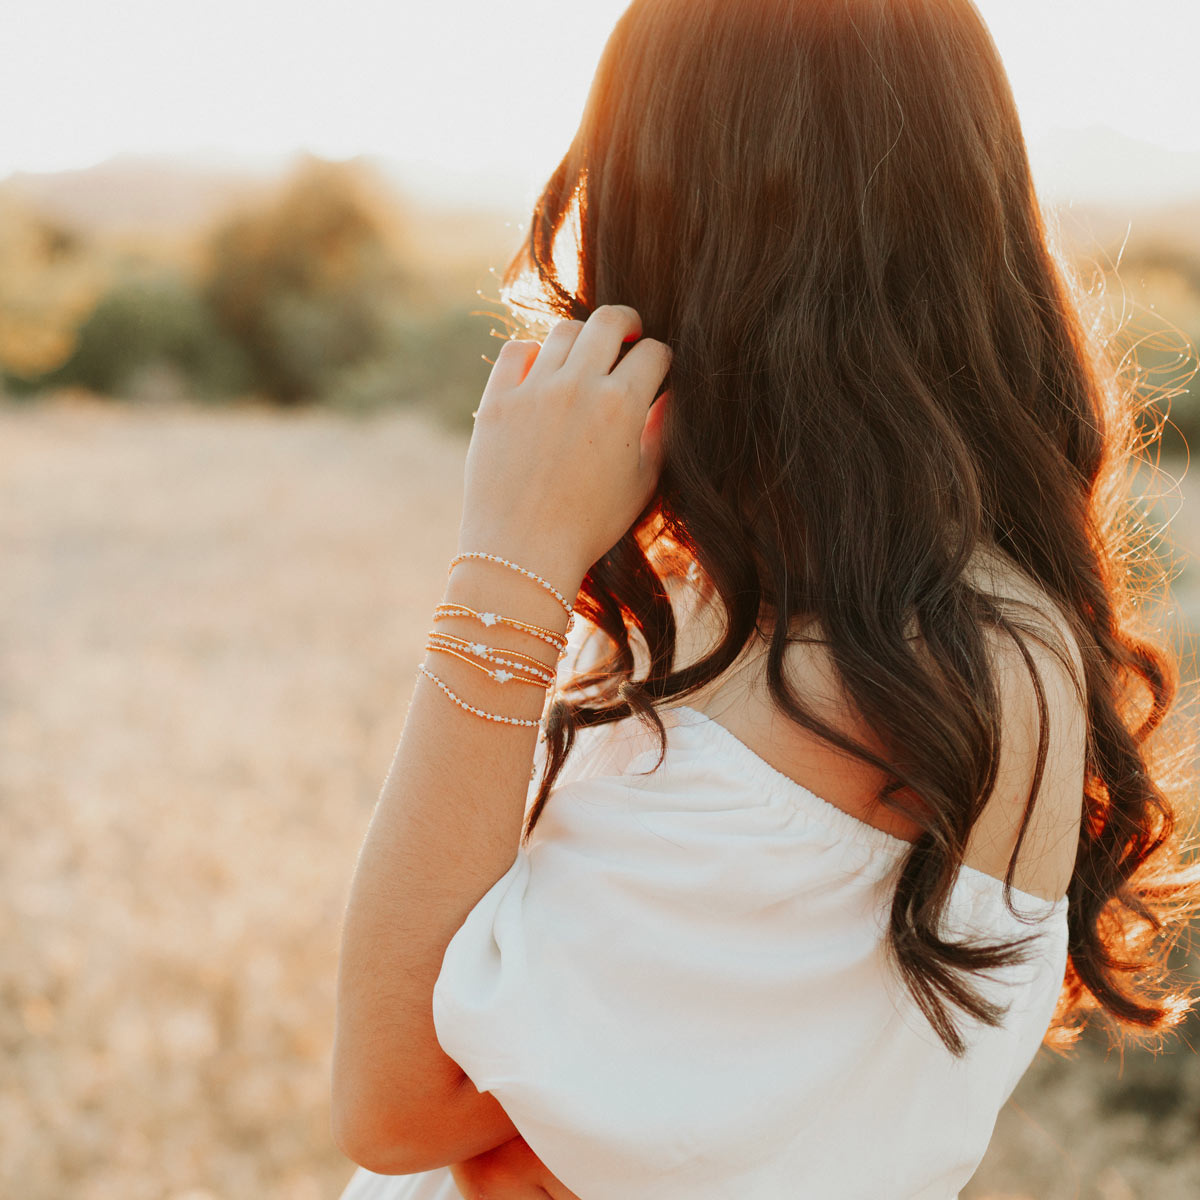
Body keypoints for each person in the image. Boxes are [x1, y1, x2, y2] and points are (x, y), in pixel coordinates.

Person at [331, 0, 1200, 1196]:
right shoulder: (907, 617)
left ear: (686, 227)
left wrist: (508, 565)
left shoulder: (879, 672)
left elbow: (393, 1098)